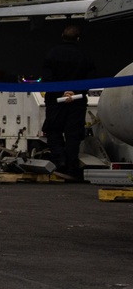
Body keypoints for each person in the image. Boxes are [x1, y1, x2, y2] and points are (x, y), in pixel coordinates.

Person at [41, 24, 95, 181]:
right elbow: (90, 77)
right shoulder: (84, 55)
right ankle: (72, 167)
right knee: (73, 135)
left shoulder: (52, 53)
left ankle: (60, 161)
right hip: (77, 101)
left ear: (62, 36)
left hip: (55, 100)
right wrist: (75, 92)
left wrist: (61, 92)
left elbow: (47, 77)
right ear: (78, 38)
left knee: (53, 131)